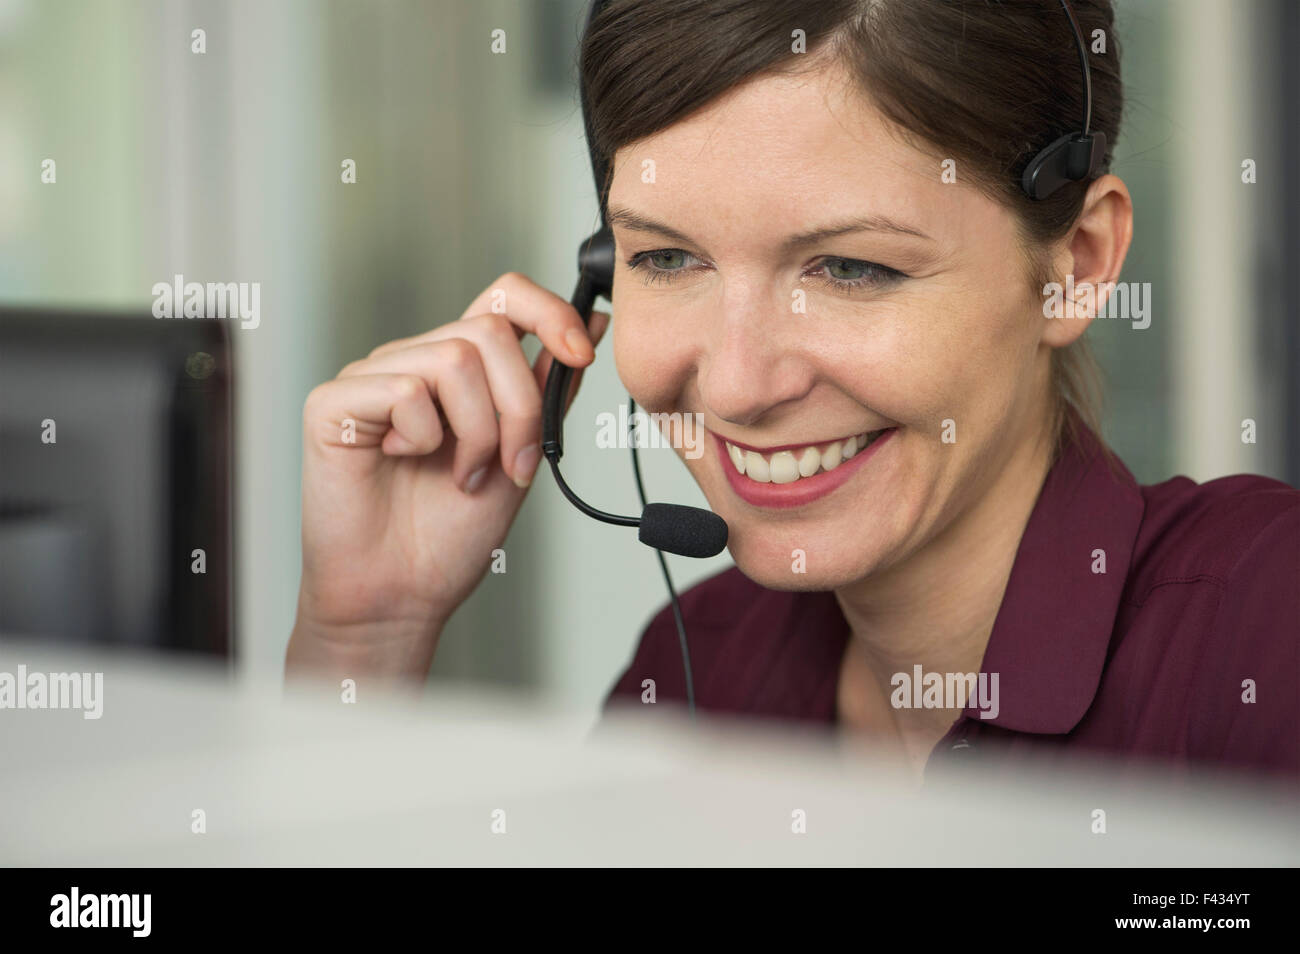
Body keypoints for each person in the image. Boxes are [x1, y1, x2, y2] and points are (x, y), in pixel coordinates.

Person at [286, 0, 1298, 783]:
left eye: (850, 269)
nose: (734, 383)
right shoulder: (694, 677)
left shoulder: (1263, 629)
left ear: (1074, 263)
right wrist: (365, 639)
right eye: (669, 258)